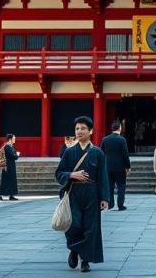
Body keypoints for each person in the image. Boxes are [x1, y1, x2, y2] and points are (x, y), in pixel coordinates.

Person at [55, 116, 109, 273]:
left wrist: (104, 198)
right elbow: (58, 173)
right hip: (74, 193)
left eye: (83, 128)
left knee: (90, 227)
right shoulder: (69, 152)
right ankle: (74, 249)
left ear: (91, 131)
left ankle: (85, 261)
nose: (79, 131)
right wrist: (72, 175)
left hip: (92, 193)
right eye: (77, 129)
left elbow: (103, 176)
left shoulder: (98, 153)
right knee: (74, 225)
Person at [101, 121, 130, 211]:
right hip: (120, 167)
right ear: (120, 128)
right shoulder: (122, 140)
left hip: (108, 166)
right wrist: (127, 166)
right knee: (121, 185)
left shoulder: (105, 139)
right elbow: (125, 154)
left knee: (110, 185)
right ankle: (120, 205)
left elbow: (102, 153)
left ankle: (110, 204)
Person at [0, 134, 20, 200]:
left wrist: (16, 155)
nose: (15, 140)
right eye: (14, 138)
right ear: (10, 139)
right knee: (7, 180)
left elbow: (13, 155)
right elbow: (13, 156)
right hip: (8, 166)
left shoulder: (10, 146)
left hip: (10, 165)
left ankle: (11, 195)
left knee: (11, 180)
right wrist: (17, 154)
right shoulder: (7, 147)